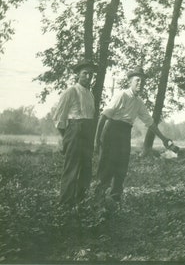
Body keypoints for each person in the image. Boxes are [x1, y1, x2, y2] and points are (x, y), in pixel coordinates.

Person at [94, 66, 173, 204]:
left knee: (121, 169)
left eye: (142, 81)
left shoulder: (139, 102)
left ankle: (114, 201)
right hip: (112, 131)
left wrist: (164, 139)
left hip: (125, 134)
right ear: (130, 81)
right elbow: (103, 117)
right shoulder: (121, 95)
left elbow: (150, 122)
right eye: (137, 80)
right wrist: (97, 140)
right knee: (107, 168)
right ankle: (97, 201)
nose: (140, 83)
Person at [53, 59, 98, 206]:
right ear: (78, 74)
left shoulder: (90, 95)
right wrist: (66, 136)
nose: (88, 77)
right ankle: (65, 203)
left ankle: (81, 200)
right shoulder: (71, 91)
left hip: (87, 132)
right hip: (74, 131)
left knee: (86, 167)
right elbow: (59, 117)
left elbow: (90, 117)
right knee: (72, 168)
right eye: (85, 73)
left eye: (91, 74)